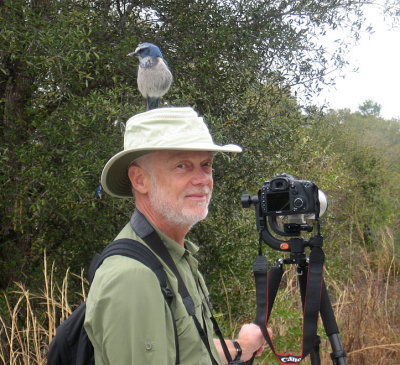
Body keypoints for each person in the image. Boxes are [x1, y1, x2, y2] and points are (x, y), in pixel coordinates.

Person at [84, 107, 268, 364]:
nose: (202, 179)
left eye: (206, 165)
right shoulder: (133, 278)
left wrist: (242, 346)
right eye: (182, 166)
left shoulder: (172, 254)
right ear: (139, 180)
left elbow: (188, 349)